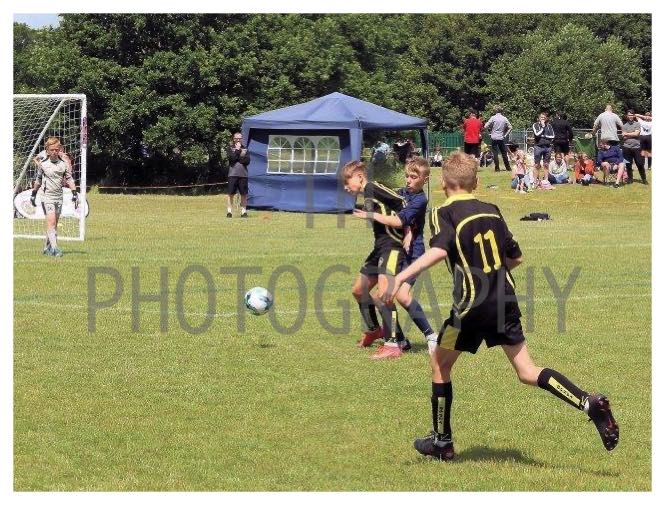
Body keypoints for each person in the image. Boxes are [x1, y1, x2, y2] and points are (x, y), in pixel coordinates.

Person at [382, 151, 619, 460]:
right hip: (504, 301)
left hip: (469, 308)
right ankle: (589, 403)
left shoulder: (442, 212)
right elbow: (516, 257)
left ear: (443, 183)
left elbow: (439, 250)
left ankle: (442, 442)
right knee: (527, 370)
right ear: (476, 183)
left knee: (440, 364)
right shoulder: (492, 210)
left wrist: (400, 277)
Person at [352, 158, 439, 358]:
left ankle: (431, 335)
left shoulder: (420, 200)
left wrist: (405, 230)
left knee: (401, 296)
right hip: (397, 250)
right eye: (407, 176)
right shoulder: (402, 193)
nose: (409, 180)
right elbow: (387, 201)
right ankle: (399, 339)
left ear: (425, 179)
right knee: (382, 295)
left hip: (414, 253)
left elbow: (401, 219)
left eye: (414, 177)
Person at [343, 161, 407, 360]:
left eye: (347, 181)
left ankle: (394, 344)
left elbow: (402, 202)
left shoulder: (373, 187)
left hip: (392, 246)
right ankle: (374, 330)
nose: (345, 187)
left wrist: (409, 232)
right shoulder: (367, 194)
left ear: (360, 177)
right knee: (359, 290)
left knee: (383, 295)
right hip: (379, 247)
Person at [30, 136, 79, 257]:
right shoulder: (43, 164)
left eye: (57, 149)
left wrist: (74, 193)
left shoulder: (63, 164)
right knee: (51, 223)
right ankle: (56, 249)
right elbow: (38, 180)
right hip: (47, 196)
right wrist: (33, 194)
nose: (54, 152)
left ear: (59, 149)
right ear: (47, 150)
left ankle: (46, 248)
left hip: (59, 197)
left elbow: (69, 179)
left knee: (54, 225)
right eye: (52, 150)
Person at [227, 132, 250, 218]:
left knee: (244, 194)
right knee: (230, 194)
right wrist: (237, 150)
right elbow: (232, 159)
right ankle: (229, 212)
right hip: (232, 174)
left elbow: (247, 161)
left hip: (243, 175)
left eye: (240, 138)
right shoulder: (230, 148)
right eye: (236, 138)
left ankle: (243, 212)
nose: (238, 140)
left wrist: (238, 157)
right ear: (234, 139)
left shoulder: (245, 149)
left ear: (242, 139)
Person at [621, 110, 648, 184]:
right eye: (629, 115)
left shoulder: (637, 124)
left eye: (631, 115)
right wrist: (632, 134)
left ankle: (644, 179)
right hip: (626, 147)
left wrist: (627, 134)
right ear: (627, 116)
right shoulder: (624, 126)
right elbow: (624, 137)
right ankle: (630, 179)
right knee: (628, 164)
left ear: (633, 116)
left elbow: (636, 134)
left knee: (640, 164)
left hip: (636, 147)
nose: (630, 116)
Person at [483, 106, 512, 172]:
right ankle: (508, 168)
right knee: (504, 153)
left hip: (494, 137)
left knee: (495, 153)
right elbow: (510, 127)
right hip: (501, 137)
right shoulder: (504, 118)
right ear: (501, 111)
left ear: (495, 111)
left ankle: (497, 168)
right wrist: (505, 135)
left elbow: (485, 126)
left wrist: (490, 132)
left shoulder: (493, 118)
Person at [532, 112, 555, 183]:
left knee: (546, 164)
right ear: (539, 118)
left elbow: (552, 136)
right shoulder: (535, 125)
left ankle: (546, 180)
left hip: (547, 147)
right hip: (538, 147)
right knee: (537, 164)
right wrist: (542, 127)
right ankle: (535, 181)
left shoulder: (549, 126)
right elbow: (537, 134)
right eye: (541, 117)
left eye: (544, 118)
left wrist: (543, 136)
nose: (543, 119)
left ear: (546, 119)